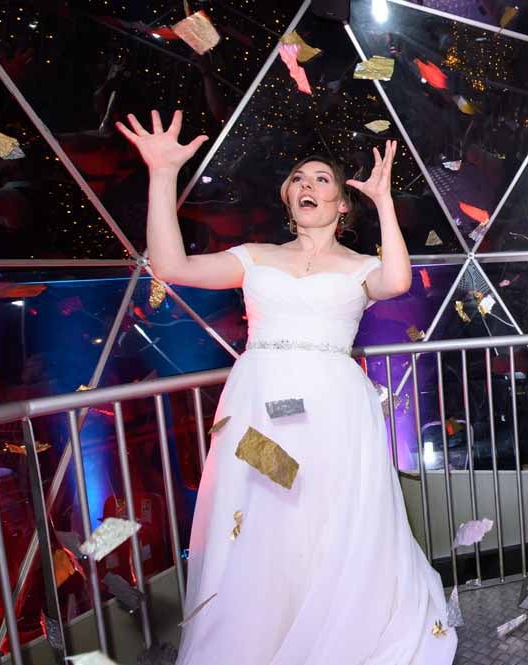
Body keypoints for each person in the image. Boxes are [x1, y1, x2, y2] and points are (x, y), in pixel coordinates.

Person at [116, 110, 457, 664]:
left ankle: (339, 632)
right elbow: (170, 265)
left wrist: (385, 203)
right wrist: (162, 173)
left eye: (322, 179)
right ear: (286, 197)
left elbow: (396, 281)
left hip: (335, 408)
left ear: (342, 203)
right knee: (260, 519)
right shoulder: (255, 257)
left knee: (330, 519)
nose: (308, 186)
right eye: (299, 179)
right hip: (258, 404)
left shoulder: (359, 265)